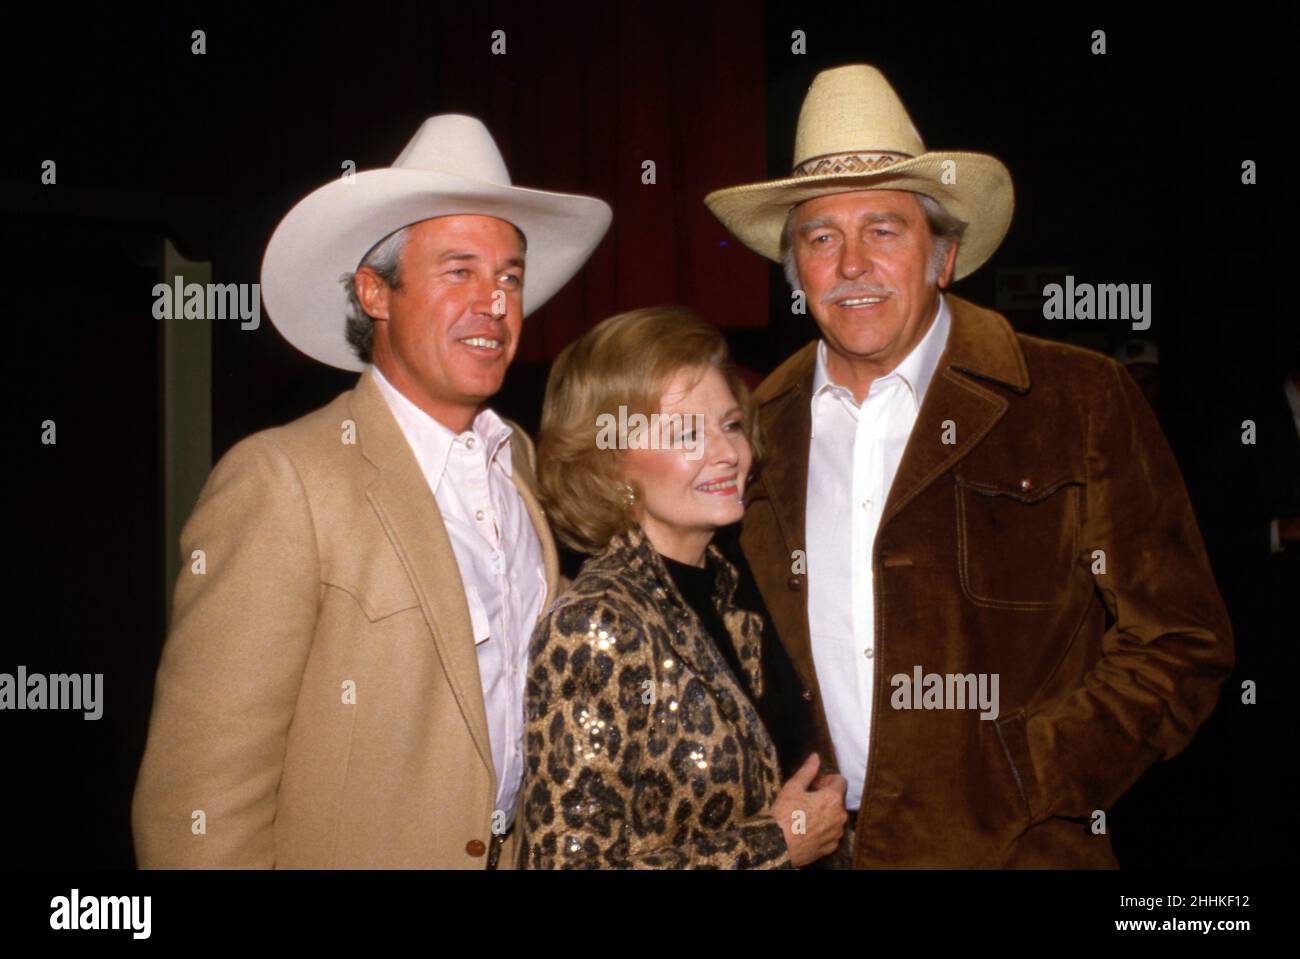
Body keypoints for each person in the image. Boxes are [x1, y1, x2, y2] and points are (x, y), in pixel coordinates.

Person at [703, 65, 1234, 867]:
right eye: (820, 237)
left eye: (883, 229)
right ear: (796, 272)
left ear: (942, 257)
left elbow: (1184, 642)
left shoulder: (1074, 397)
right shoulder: (754, 431)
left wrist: (1026, 773)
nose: (851, 264)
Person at [132, 115, 611, 868]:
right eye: (459, 270)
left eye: (509, 276)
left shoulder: (518, 461)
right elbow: (198, 808)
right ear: (374, 292)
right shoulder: (282, 481)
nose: (494, 302)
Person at [522, 306, 847, 868]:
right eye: (687, 433)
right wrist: (777, 845)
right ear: (610, 463)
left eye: (730, 424)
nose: (726, 453)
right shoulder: (597, 625)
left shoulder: (734, 595)